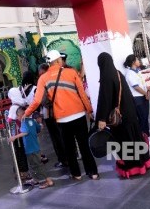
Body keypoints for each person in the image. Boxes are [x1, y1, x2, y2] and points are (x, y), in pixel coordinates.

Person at [24, 50, 99, 180]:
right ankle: (92, 172)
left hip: (62, 118)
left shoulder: (43, 78)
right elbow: (82, 94)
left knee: (69, 148)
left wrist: (26, 113)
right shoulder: (71, 72)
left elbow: (36, 101)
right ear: (59, 60)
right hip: (79, 114)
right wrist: (89, 110)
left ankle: (76, 174)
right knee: (84, 145)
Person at [96, 52, 150, 178]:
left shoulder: (106, 76)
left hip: (120, 118)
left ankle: (132, 169)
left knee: (125, 143)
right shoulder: (118, 73)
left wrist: (101, 118)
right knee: (135, 139)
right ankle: (143, 163)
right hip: (130, 114)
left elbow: (105, 99)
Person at [9, 107, 54, 189]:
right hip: (35, 147)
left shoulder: (24, 122)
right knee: (35, 165)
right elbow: (39, 128)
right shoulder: (32, 121)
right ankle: (36, 179)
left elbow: (25, 132)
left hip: (30, 149)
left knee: (36, 165)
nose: (18, 118)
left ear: (21, 115)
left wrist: (14, 137)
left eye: (18, 116)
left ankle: (47, 181)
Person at [37, 63, 68, 168]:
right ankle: (70, 157)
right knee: (63, 135)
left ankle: (63, 160)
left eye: (40, 72)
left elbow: (43, 100)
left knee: (56, 138)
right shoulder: (58, 77)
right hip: (63, 110)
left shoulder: (43, 81)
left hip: (50, 113)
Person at [123, 54, 150, 143]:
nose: (139, 61)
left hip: (143, 97)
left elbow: (142, 83)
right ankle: (145, 138)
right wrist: (145, 93)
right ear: (133, 62)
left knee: (145, 117)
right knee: (142, 118)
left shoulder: (138, 71)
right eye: (137, 60)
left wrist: (148, 91)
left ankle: (145, 135)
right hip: (138, 99)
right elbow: (136, 87)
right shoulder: (129, 73)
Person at [7, 87, 31, 181]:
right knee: (23, 153)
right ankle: (25, 171)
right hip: (24, 132)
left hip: (17, 134)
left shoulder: (13, 107)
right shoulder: (23, 103)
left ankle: (21, 172)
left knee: (19, 153)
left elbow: (9, 120)